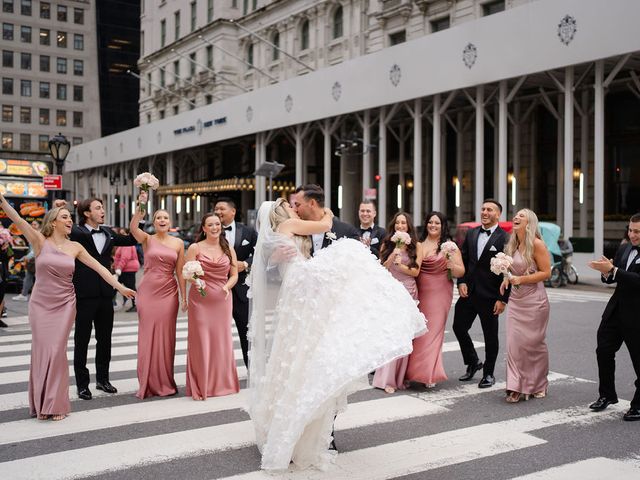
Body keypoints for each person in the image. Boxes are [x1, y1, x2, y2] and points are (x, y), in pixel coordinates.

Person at [247, 198, 426, 471]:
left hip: (295, 293)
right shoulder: (289, 224)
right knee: (349, 252)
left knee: (294, 358)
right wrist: (327, 211)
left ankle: (289, 431)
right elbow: (324, 224)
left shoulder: (276, 235)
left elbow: (274, 266)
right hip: (303, 282)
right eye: (287, 203)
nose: (292, 206)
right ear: (279, 212)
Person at [1, 193, 134, 420]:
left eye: (70, 218)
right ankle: (41, 403)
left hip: (65, 303)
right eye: (64, 217)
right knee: (42, 351)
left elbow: (101, 269)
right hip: (41, 303)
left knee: (56, 350)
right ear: (53, 222)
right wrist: (3, 202)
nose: (69, 220)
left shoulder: (75, 247)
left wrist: (120, 287)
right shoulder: (39, 240)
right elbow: (17, 219)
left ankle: (55, 403)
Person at [56, 197, 141, 401]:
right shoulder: (75, 231)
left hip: (106, 294)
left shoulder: (109, 232)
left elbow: (132, 238)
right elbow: (55, 231)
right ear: (87, 213)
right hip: (83, 294)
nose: (103, 211)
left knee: (105, 339)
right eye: (98, 208)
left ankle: (103, 379)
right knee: (82, 340)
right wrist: (60, 210)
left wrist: (139, 211)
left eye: (102, 207)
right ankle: (82, 385)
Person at [130, 196, 186, 399]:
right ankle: (147, 380)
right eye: (158, 218)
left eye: (165, 217)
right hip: (147, 291)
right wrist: (141, 205)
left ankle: (164, 381)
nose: (162, 220)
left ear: (170, 222)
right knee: (147, 335)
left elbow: (180, 272)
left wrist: (184, 297)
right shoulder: (147, 239)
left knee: (166, 337)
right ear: (154, 223)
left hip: (169, 292)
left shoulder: (179, 243)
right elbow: (133, 227)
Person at [588, 213, 640, 421]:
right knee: (603, 350)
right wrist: (606, 272)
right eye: (630, 230)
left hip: (637, 315)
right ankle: (607, 394)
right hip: (615, 310)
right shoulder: (625, 247)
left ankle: (638, 404)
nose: (632, 235)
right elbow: (613, 277)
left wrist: (614, 270)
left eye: (637, 231)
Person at [453, 199, 510, 388]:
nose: (485, 212)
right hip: (469, 292)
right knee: (459, 327)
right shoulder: (472, 233)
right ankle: (473, 362)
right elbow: (465, 259)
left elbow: (509, 271)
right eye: (483, 209)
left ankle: (489, 373)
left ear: (498, 214)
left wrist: (503, 299)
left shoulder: (505, 238)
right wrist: (461, 281)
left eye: (489, 210)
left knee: (490, 336)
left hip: (491, 296)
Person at [406, 211, 464, 388]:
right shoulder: (419, 245)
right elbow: (413, 269)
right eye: (430, 222)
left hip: (441, 291)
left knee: (434, 331)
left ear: (443, 226)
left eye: (437, 223)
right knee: (419, 331)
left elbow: (461, 271)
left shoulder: (449, 246)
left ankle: (429, 373)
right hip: (421, 290)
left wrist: (451, 264)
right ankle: (414, 371)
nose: (433, 225)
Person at [185, 212, 239, 400]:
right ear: (204, 228)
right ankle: (203, 384)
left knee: (221, 341)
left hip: (222, 300)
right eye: (211, 224)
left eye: (217, 224)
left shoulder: (228, 248)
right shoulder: (195, 247)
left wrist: (226, 286)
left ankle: (222, 383)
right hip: (200, 301)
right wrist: (196, 281)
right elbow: (187, 273)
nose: (215, 227)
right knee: (202, 340)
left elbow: (234, 275)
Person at [499, 209, 551, 403]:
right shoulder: (513, 245)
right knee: (513, 345)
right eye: (516, 215)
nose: (517, 217)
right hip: (516, 301)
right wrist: (506, 278)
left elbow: (546, 273)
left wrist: (521, 278)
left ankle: (538, 384)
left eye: (522, 215)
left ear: (530, 222)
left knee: (533, 345)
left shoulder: (537, 244)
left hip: (535, 302)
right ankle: (515, 386)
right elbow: (511, 271)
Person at [373, 212, 422, 393]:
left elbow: (416, 272)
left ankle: (399, 378)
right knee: (390, 334)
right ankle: (386, 380)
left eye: (404, 223)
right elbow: (382, 268)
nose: (401, 226)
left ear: (408, 226)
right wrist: (393, 256)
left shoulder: (416, 246)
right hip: (390, 291)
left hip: (408, 291)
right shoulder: (387, 243)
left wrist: (401, 266)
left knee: (404, 335)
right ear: (394, 226)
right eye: (398, 223)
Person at [214, 197, 257, 369]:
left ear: (233, 211)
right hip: (216, 290)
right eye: (216, 209)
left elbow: (260, 253)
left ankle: (252, 372)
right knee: (216, 335)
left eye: (222, 208)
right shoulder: (208, 232)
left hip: (241, 292)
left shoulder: (248, 232)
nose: (218, 212)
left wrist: (246, 264)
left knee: (247, 334)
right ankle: (217, 375)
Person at [292, 184, 360, 251]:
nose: (295, 209)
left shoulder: (347, 231)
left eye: (298, 205)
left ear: (312, 203)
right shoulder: (296, 231)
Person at [113, 228, 140, 312]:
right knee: (116, 286)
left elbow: (125, 257)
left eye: (123, 233)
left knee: (116, 286)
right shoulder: (124, 243)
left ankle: (136, 305)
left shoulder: (126, 244)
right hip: (126, 268)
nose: (121, 235)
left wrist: (119, 268)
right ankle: (134, 302)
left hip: (127, 269)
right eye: (120, 233)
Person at [13, 220, 40, 302]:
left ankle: (26, 295)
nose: (33, 225)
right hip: (34, 259)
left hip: (36, 259)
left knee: (33, 277)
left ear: (39, 226)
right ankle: (26, 294)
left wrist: (27, 257)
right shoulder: (33, 234)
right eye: (32, 224)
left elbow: (35, 250)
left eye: (35, 224)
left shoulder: (37, 235)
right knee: (30, 277)